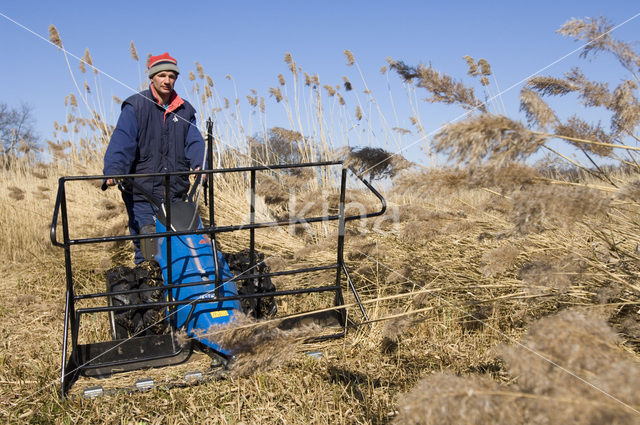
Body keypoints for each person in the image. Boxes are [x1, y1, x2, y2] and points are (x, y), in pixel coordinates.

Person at [103, 52, 205, 263]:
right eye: (162, 75)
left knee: (185, 244)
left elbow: (194, 141)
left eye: (172, 76)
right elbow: (123, 142)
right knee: (148, 246)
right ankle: (149, 290)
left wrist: (200, 166)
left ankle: (183, 291)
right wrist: (114, 170)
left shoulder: (185, 110)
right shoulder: (135, 106)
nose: (167, 81)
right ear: (152, 77)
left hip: (176, 193)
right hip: (142, 193)